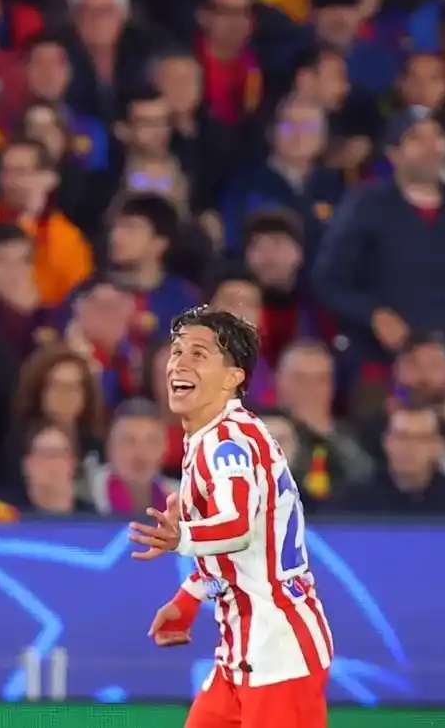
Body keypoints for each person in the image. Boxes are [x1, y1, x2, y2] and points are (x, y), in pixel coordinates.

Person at [127, 306, 334, 728]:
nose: (179, 364)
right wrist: (188, 597)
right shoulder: (220, 433)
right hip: (242, 653)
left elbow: (237, 527)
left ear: (234, 376)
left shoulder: (225, 444)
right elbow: (248, 546)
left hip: (279, 653)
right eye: (177, 351)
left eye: (199, 354)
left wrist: (181, 537)